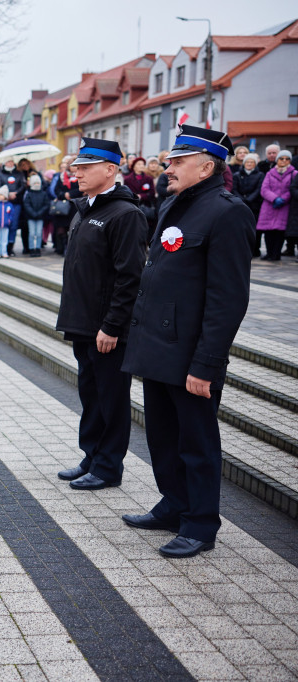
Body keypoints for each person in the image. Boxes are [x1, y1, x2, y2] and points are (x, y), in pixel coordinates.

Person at [121, 125, 255, 558]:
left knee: (196, 443)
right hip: (159, 345)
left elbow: (227, 298)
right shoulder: (174, 206)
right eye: (169, 160)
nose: (167, 167)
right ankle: (174, 504)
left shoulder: (227, 212)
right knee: (162, 436)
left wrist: (207, 364)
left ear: (206, 165)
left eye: (177, 161)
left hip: (192, 355)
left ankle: (200, 523)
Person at [55, 138, 146, 491]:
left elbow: (130, 277)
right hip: (83, 323)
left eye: (85, 167)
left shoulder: (125, 214)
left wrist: (112, 325)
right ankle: (92, 455)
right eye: (76, 167)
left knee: (111, 398)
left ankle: (109, 466)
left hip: (107, 330)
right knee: (90, 395)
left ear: (110, 170)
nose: (76, 173)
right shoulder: (86, 209)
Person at [256, 149, 295, 261]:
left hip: (284, 206)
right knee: (268, 230)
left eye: (286, 159)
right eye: (281, 158)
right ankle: (269, 253)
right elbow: (264, 189)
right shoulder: (270, 172)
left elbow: (292, 188)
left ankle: (276, 254)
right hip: (269, 205)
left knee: (279, 231)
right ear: (277, 160)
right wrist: (274, 198)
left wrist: (283, 199)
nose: (283, 161)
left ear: (290, 161)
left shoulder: (294, 173)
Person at [233, 154, 264, 257]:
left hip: (254, 206)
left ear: (255, 164)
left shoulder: (260, 175)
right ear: (244, 163)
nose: (249, 164)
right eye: (247, 162)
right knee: (240, 229)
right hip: (240, 205)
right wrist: (242, 200)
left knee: (255, 230)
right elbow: (234, 189)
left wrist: (249, 199)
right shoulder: (237, 175)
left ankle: (255, 250)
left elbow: (259, 189)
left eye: (252, 162)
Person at [51, 156, 81, 255]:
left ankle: (70, 248)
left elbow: (82, 189)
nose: (73, 167)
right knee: (61, 229)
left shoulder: (80, 176)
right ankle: (63, 247)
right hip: (63, 206)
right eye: (72, 165)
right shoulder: (62, 176)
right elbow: (57, 190)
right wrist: (64, 195)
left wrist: (71, 194)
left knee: (73, 228)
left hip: (74, 206)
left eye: (75, 165)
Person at [0, 158, 26, 256]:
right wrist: (7, 194)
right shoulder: (0, 173)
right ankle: (3, 247)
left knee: (14, 224)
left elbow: (23, 185)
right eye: (8, 161)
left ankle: (10, 246)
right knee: (5, 224)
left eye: (12, 161)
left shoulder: (19, 173)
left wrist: (16, 193)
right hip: (4, 202)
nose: (10, 163)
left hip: (16, 202)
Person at [22, 174, 49, 257]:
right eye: (35, 183)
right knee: (32, 233)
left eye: (38, 183)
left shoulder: (43, 193)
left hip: (40, 217)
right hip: (31, 217)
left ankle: (37, 248)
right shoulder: (29, 194)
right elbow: (26, 205)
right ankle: (31, 248)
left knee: (38, 233)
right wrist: (33, 213)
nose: (37, 184)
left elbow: (46, 204)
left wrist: (39, 213)